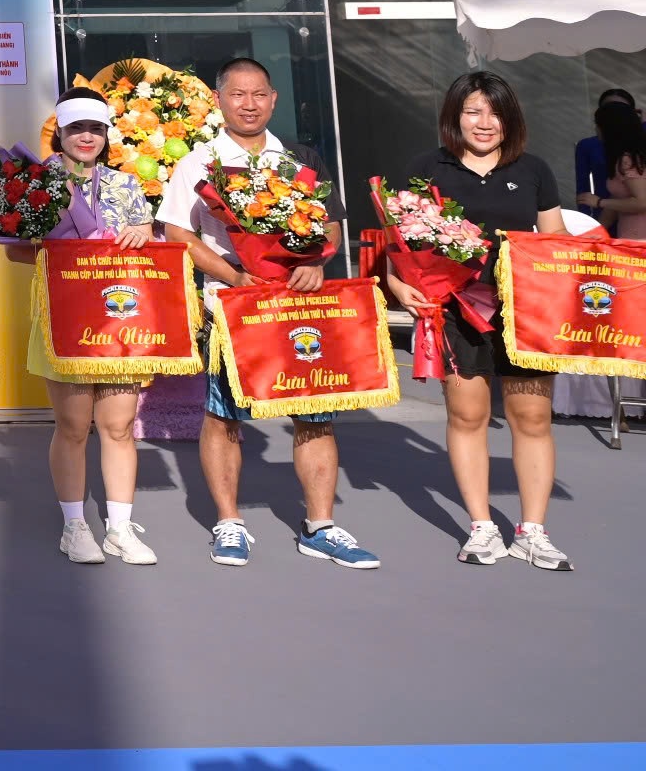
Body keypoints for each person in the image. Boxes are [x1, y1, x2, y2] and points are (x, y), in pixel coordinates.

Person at [157, 56, 379, 571]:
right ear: (219, 100)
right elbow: (178, 233)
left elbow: (330, 225)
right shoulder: (200, 161)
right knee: (224, 414)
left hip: (301, 303)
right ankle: (229, 522)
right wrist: (233, 275)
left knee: (315, 411)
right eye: (238, 94)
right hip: (232, 302)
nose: (249, 104)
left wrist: (316, 262)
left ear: (274, 99)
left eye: (259, 94)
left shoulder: (300, 158)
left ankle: (320, 526)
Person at [386, 70, 572, 571]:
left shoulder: (534, 170)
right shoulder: (426, 169)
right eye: (473, 111)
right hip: (455, 312)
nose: (484, 122)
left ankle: (533, 531)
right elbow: (398, 243)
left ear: (510, 120)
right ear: (455, 116)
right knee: (468, 417)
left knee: (532, 419)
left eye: (494, 112)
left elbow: (554, 241)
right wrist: (399, 286)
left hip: (524, 313)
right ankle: (482, 527)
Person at [33, 89, 159, 566]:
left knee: (119, 426)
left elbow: (147, 246)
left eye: (95, 129)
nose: (86, 137)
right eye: (76, 129)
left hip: (119, 319)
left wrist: (145, 234)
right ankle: (74, 526)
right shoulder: (35, 183)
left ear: (106, 134)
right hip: (63, 316)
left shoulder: (126, 184)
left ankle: (120, 529)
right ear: (60, 133)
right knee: (72, 425)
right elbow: (15, 251)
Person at [581, 92, 646, 238]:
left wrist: (600, 202)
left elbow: (642, 202)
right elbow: (618, 200)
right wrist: (597, 231)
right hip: (630, 237)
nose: (596, 129)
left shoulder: (629, 159)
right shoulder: (623, 158)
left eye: (598, 125)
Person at [573, 87, 637, 214]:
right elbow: (583, 187)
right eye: (608, 109)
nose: (614, 114)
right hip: (604, 212)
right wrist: (587, 217)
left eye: (620, 109)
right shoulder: (588, 145)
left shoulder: (639, 144)